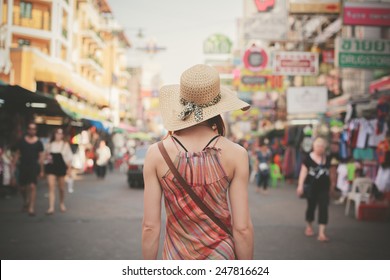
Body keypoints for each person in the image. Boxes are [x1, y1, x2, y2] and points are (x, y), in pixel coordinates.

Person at [142, 64, 254, 260]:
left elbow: (150, 227)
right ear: (218, 107)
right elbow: (242, 228)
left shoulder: (156, 154)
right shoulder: (236, 154)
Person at [296, 137, 331, 242]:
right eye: (317, 146)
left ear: (324, 148)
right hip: (311, 188)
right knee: (311, 207)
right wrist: (300, 185)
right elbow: (303, 172)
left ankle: (321, 233)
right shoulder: (308, 158)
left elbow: (332, 173)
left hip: (324, 188)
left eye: (321, 146)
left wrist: (332, 187)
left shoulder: (328, 158)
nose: (319, 148)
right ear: (313, 147)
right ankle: (309, 226)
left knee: (324, 208)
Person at [15, 122, 44, 216]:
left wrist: (41, 170)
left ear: (36, 130)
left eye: (34, 129)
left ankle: (31, 208)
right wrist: (13, 166)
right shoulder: (22, 141)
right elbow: (17, 154)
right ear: (27, 130)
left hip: (33, 167)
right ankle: (26, 200)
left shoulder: (39, 143)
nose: (32, 130)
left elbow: (41, 157)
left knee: (32, 186)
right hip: (23, 166)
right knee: (22, 188)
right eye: (30, 128)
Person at [44, 128, 73, 214]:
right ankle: (51, 207)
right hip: (51, 167)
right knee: (51, 186)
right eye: (57, 133)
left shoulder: (65, 145)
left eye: (60, 133)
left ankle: (61, 203)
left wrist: (69, 170)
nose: (58, 135)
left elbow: (68, 158)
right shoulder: (49, 145)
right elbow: (45, 157)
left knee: (61, 188)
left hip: (61, 167)